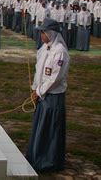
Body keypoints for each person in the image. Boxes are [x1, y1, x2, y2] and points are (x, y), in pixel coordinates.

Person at [26, 18, 69, 172]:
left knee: (50, 128)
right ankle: (36, 154)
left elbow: (55, 78)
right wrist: (34, 88)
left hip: (52, 96)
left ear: (51, 33)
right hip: (41, 94)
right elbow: (40, 72)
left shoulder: (60, 52)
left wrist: (39, 92)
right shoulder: (44, 48)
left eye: (43, 33)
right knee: (40, 126)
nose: (41, 36)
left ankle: (49, 160)